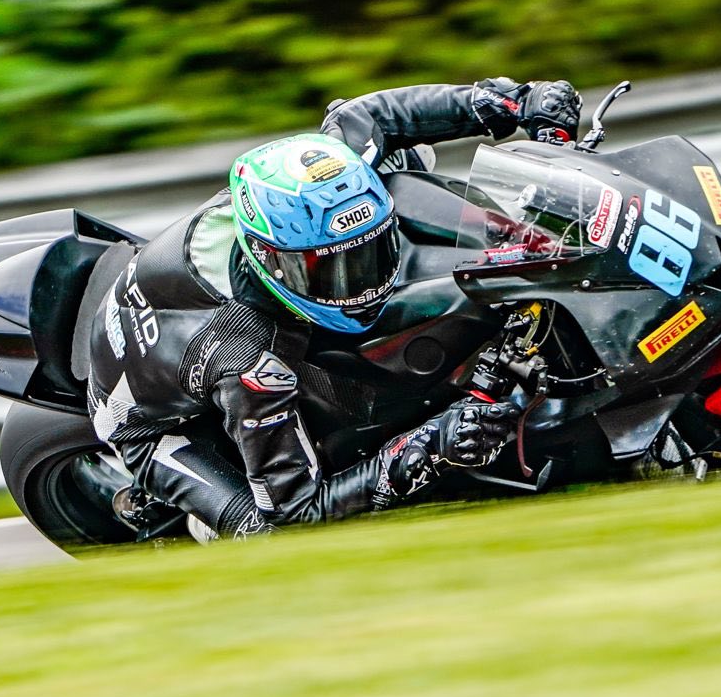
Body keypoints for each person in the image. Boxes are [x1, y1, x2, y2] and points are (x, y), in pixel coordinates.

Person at [85, 78, 582, 539]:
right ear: (271, 261)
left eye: (368, 254)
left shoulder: (324, 178)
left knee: (410, 163)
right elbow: (297, 510)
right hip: (148, 422)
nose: (358, 283)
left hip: (183, 309)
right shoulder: (246, 357)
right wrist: (431, 445)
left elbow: (373, 114)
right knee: (263, 534)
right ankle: (198, 523)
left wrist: (514, 101)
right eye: (330, 271)